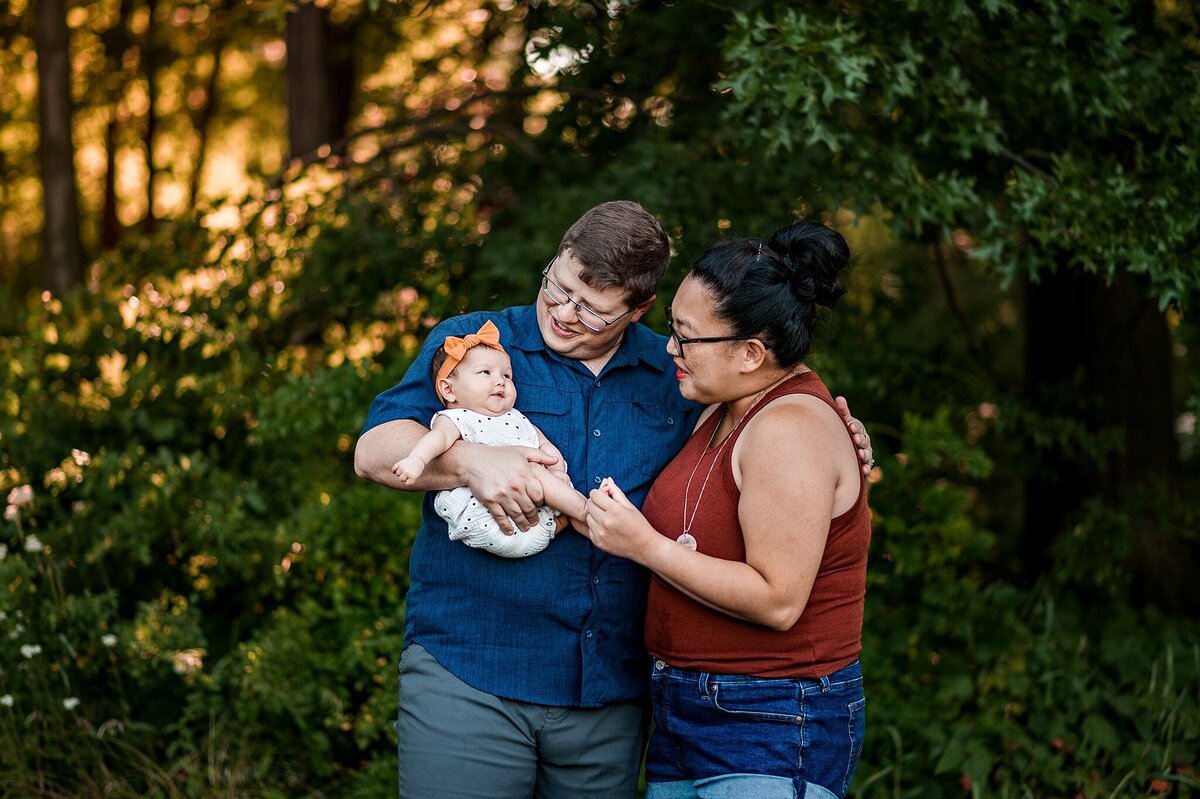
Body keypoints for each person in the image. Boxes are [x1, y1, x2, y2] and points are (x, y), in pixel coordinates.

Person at [354, 201, 874, 799]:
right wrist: (469, 460)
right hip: (473, 667)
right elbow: (374, 452)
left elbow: (769, 399)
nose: (565, 314)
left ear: (639, 309)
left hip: (611, 692)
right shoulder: (478, 345)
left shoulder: (678, 373)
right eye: (559, 288)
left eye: (593, 310)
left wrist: (839, 430)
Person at [583, 221, 871, 799]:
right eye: (672, 329)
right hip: (684, 705)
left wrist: (644, 545)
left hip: (769, 713)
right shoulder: (721, 407)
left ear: (750, 352)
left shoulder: (788, 428)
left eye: (687, 337)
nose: (671, 350)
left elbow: (778, 598)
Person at [391, 320, 588, 557]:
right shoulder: (458, 418)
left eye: (507, 375)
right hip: (485, 517)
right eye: (486, 372)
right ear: (449, 390)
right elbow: (437, 439)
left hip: (534, 521)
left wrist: (557, 471)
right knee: (534, 470)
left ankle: (560, 524)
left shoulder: (515, 418)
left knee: (540, 470)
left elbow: (544, 445)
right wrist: (416, 460)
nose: (500, 381)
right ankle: (586, 512)